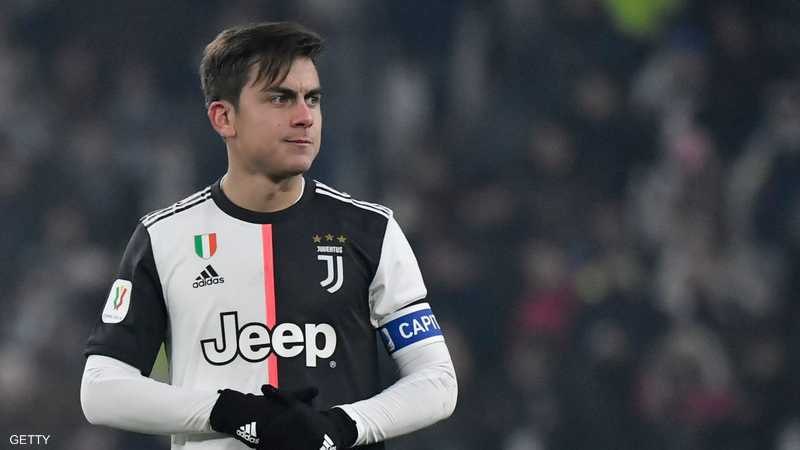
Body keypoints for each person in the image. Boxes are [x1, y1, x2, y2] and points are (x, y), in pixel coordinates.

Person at [80, 21, 457, 450]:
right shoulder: (164, 237)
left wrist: (343, 426)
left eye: (312, 98)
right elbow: (100, 388)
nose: (304, 116)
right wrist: (227, 411)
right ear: (223, 117)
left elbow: (437, 380)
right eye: (280, 98)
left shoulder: (371, 231)